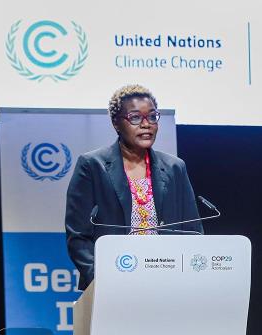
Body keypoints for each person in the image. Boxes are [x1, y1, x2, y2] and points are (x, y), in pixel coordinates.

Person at [65, 84, 203, 290]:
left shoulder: (175, 168)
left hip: (168, 283)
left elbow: (193, 231)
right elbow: (78, 235)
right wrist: (101, 278)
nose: (146, 124)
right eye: (135, 118)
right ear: (116, 123)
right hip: (111, 284)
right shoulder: (92, 165)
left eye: (153, 117)